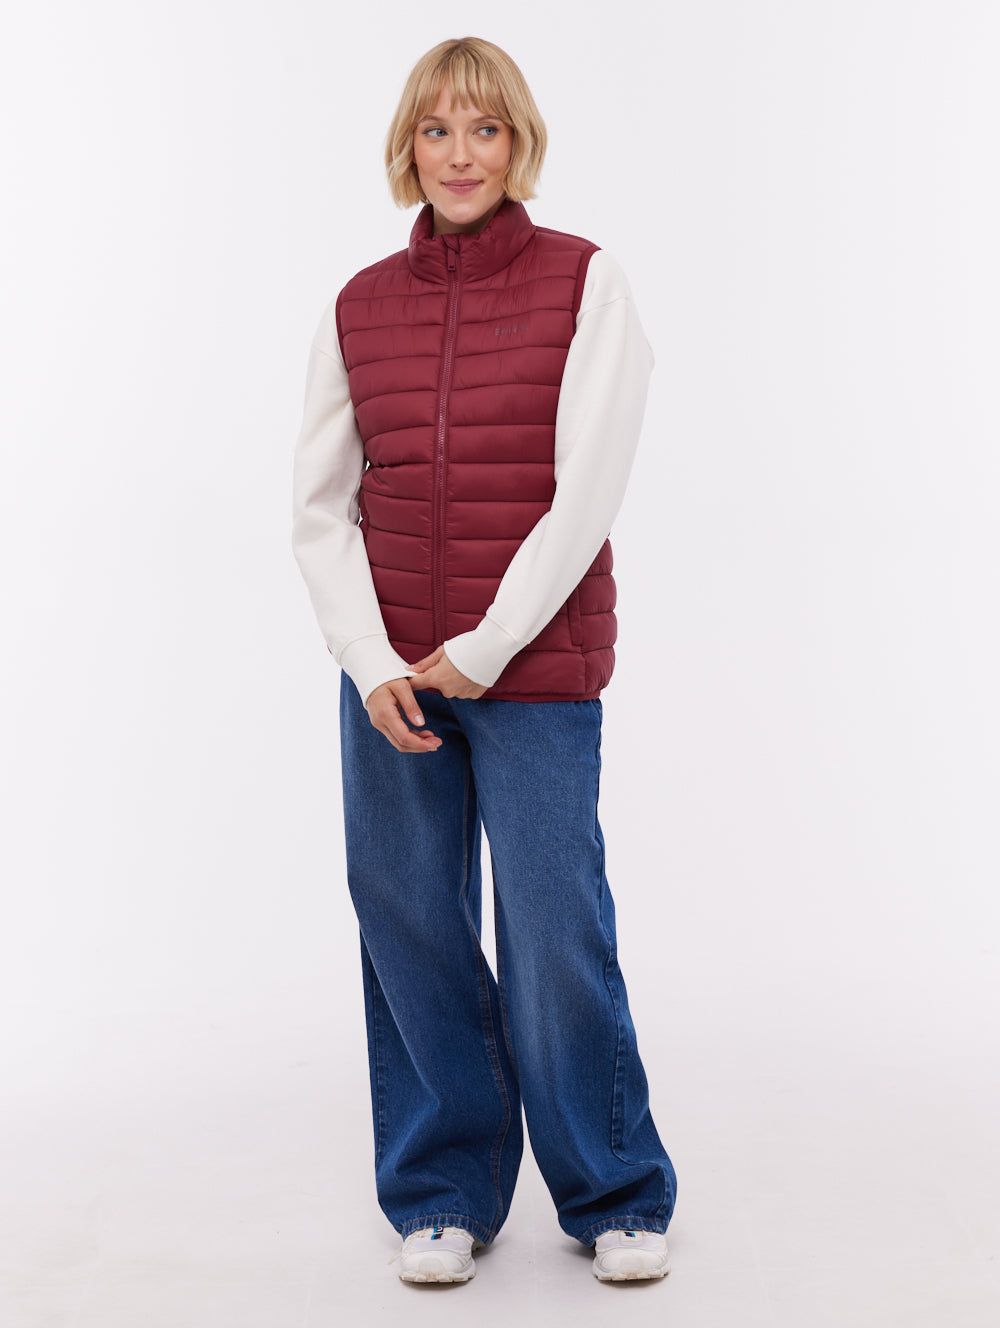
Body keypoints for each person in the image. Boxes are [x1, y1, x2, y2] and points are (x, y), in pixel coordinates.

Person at [291, 36, 678, 1285]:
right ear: (407, 149)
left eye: (485, 129)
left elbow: (586, 486)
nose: (460, 154)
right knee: (409, 921)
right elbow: (319, 505)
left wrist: (484, 645)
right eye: (436, 130)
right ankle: (443, 1192)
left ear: (519, 143)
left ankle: (613, 1191)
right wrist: (372, 660)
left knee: (556, 924)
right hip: (394, 676)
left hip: (533, 667)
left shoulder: (586, 281)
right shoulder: (358, 304)